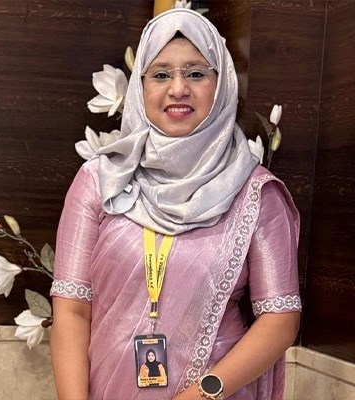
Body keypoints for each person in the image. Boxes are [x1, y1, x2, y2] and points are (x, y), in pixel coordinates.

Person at [50, 8, 301, 400]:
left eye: (196, 74)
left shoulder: (256, 193)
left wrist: (201, 394)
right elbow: (72, 310)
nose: (178, 88)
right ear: (141, 87)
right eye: (161, 74)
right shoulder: (100, 180)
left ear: (222, 84)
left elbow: (280, 318)